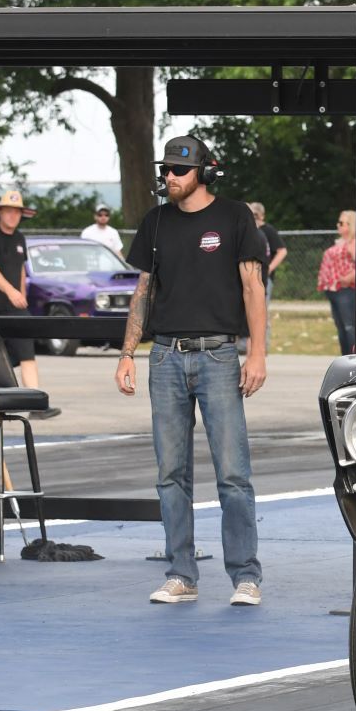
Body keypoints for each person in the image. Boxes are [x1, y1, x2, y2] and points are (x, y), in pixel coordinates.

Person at [116, 134, 268, 606]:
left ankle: (245, 577)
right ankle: (181, 574)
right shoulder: (156, 221)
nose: (169, 178)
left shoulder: (234, 216)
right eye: (165, 170)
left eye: (178, 171)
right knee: (170, 473)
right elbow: (144, 289)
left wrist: (258, 353)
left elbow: (252, 286)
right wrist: (126, 353)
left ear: (204, 172)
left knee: (233, 473)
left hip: (219, 357)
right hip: (164, 356)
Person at [0, 190, 60, 418]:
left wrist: (20, 295)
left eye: (17, 212)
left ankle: (36, 405)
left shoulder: (20, 238)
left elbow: (20, 269)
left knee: (26, 353)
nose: (12, 216)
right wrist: (10, 291)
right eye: (8, 211)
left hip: (15, 308)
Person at [318, 210, 356, 355]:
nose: (338, 225)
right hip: (333, 290)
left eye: (341, 223)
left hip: (345, 290)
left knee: (349, 326)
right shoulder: (340, 242)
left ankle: (354, 356)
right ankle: (345, 356)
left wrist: (350, 277)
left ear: (351, 224)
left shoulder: (354, 243)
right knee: (341, 327)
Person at [248, 202, 286, 346]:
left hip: (264, 278)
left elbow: (282, 251)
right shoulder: (248, 230)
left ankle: (263, 345)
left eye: (256, 214)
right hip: (250, 276)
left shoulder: (267, 230)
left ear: (262, 215)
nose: (254, 217)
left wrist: (269, 268)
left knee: (261, 310)